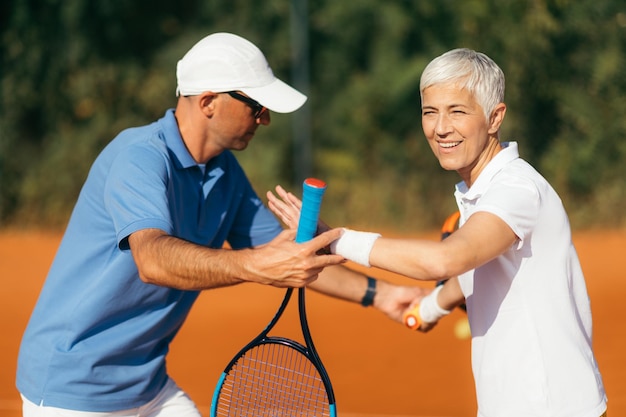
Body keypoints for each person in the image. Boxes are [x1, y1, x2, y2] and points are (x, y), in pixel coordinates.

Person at [16, 32, 426, 417]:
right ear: (209, 101)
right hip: (72, 387)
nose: (264, 119)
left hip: (147, 385)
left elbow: (289, 258)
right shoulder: (139, 157)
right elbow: (153, 260)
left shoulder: (224, 173)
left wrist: (382, 295)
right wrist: (253, 265)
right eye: (256, 106)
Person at [268, 48, 608, 417]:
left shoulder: (516, 190)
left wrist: (337, 239)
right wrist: (430, 307)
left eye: (457, 111)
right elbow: (474, 272)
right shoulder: (484, 191)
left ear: (495, 118)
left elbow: (448, 259)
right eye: (430, 112)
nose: (440, 127)